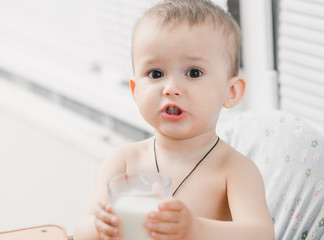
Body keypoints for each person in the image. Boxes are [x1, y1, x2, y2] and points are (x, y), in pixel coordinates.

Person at [73, 0, 274, 239]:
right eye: (156, 73)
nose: (171, 88)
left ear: (230, 92)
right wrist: (99, 227)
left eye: (193, 73)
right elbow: (80, 230)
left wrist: (197, 229)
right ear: (136, 91)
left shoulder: (235, 170)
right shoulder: (122, 163)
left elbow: (261, 234)